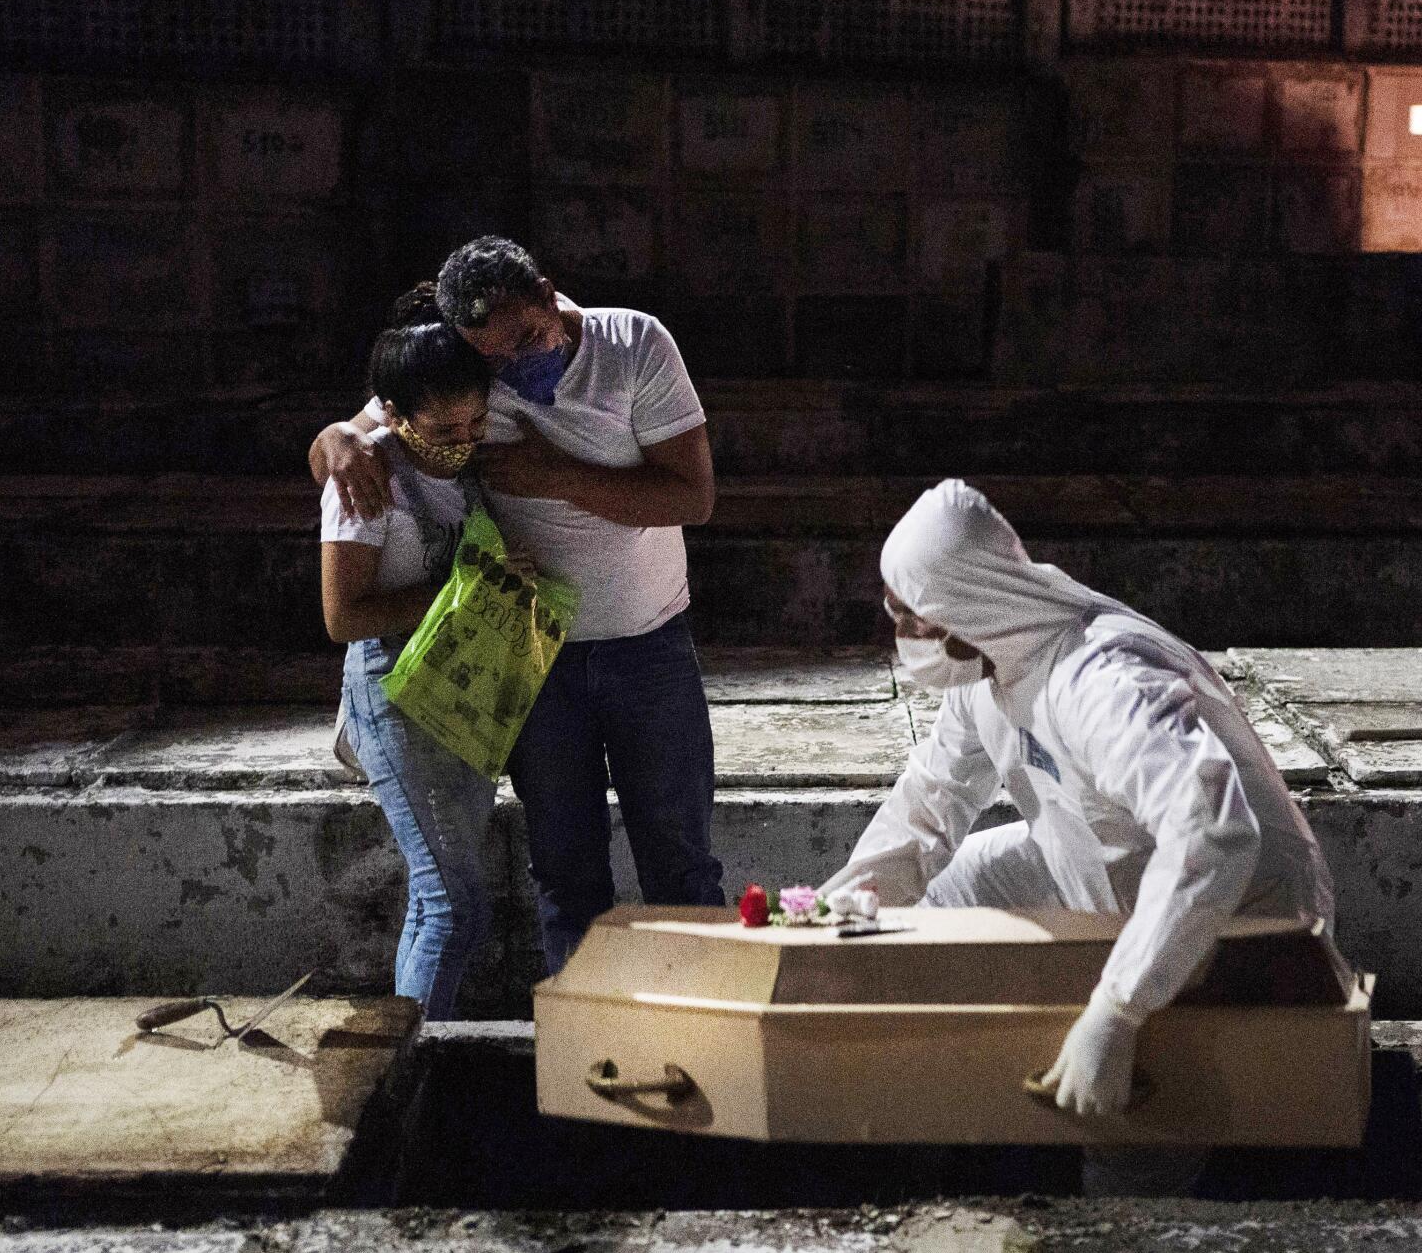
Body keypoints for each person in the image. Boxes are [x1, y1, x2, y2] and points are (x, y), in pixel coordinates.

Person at [822, 479, 1336, 1197]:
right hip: (1106, 860)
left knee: (1141, 1108)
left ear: (958, 612)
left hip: (1240, 908)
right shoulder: (988, 661)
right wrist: (834, 910)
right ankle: (939, 1112)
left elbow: (1214, 834)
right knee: (950, 886)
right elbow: (930, 803)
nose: (900, 634)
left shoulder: (1102, 680)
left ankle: (1127, 1230)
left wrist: (1117, 1010)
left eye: (908, 616)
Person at [311, 237, 724, 970]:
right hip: (537, 661)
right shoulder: (472, 366)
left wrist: (553, 475)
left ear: (546, 290)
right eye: (497, 357)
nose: (516, 363)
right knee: (565, 873)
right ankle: (583, 1058)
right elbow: (363, 434)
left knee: (682, 866)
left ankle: (712, 1047)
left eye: (529, 337)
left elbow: (691, 496)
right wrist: (337, 437)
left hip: (647, 645)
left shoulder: (634, 343)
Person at [320, 284, 507, 1021]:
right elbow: (342, 616)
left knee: (448, 902)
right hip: (394, 688)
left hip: (460, 685)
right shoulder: (369, 477)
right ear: (392, 413)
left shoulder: (466, 462)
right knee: (450, 902)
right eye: (443, 425)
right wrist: (459, 591)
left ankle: (414, 1055)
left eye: (476, 420)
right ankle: (409, 1073)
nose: (462, 438)